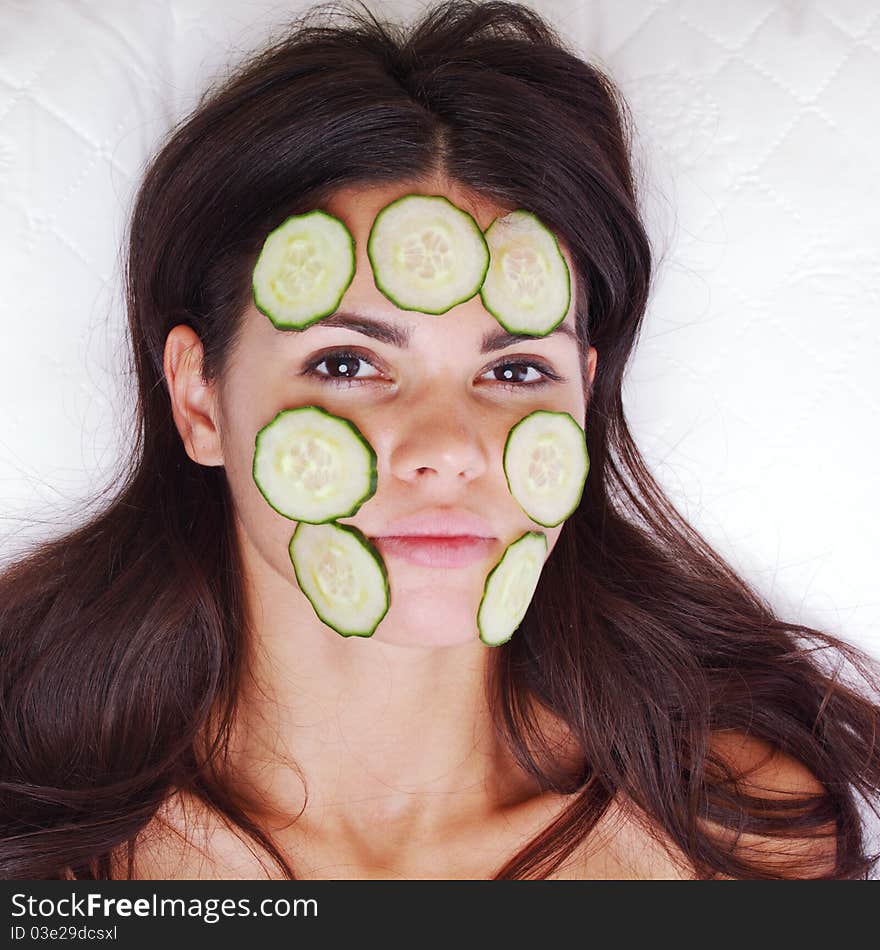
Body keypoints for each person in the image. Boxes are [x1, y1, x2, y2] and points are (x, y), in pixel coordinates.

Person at [1, 0, 878, 881]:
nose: (450, 447)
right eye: (346, 363)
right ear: (199, 402)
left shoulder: (735, 835)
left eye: (518, 371)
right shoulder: (41, 848)